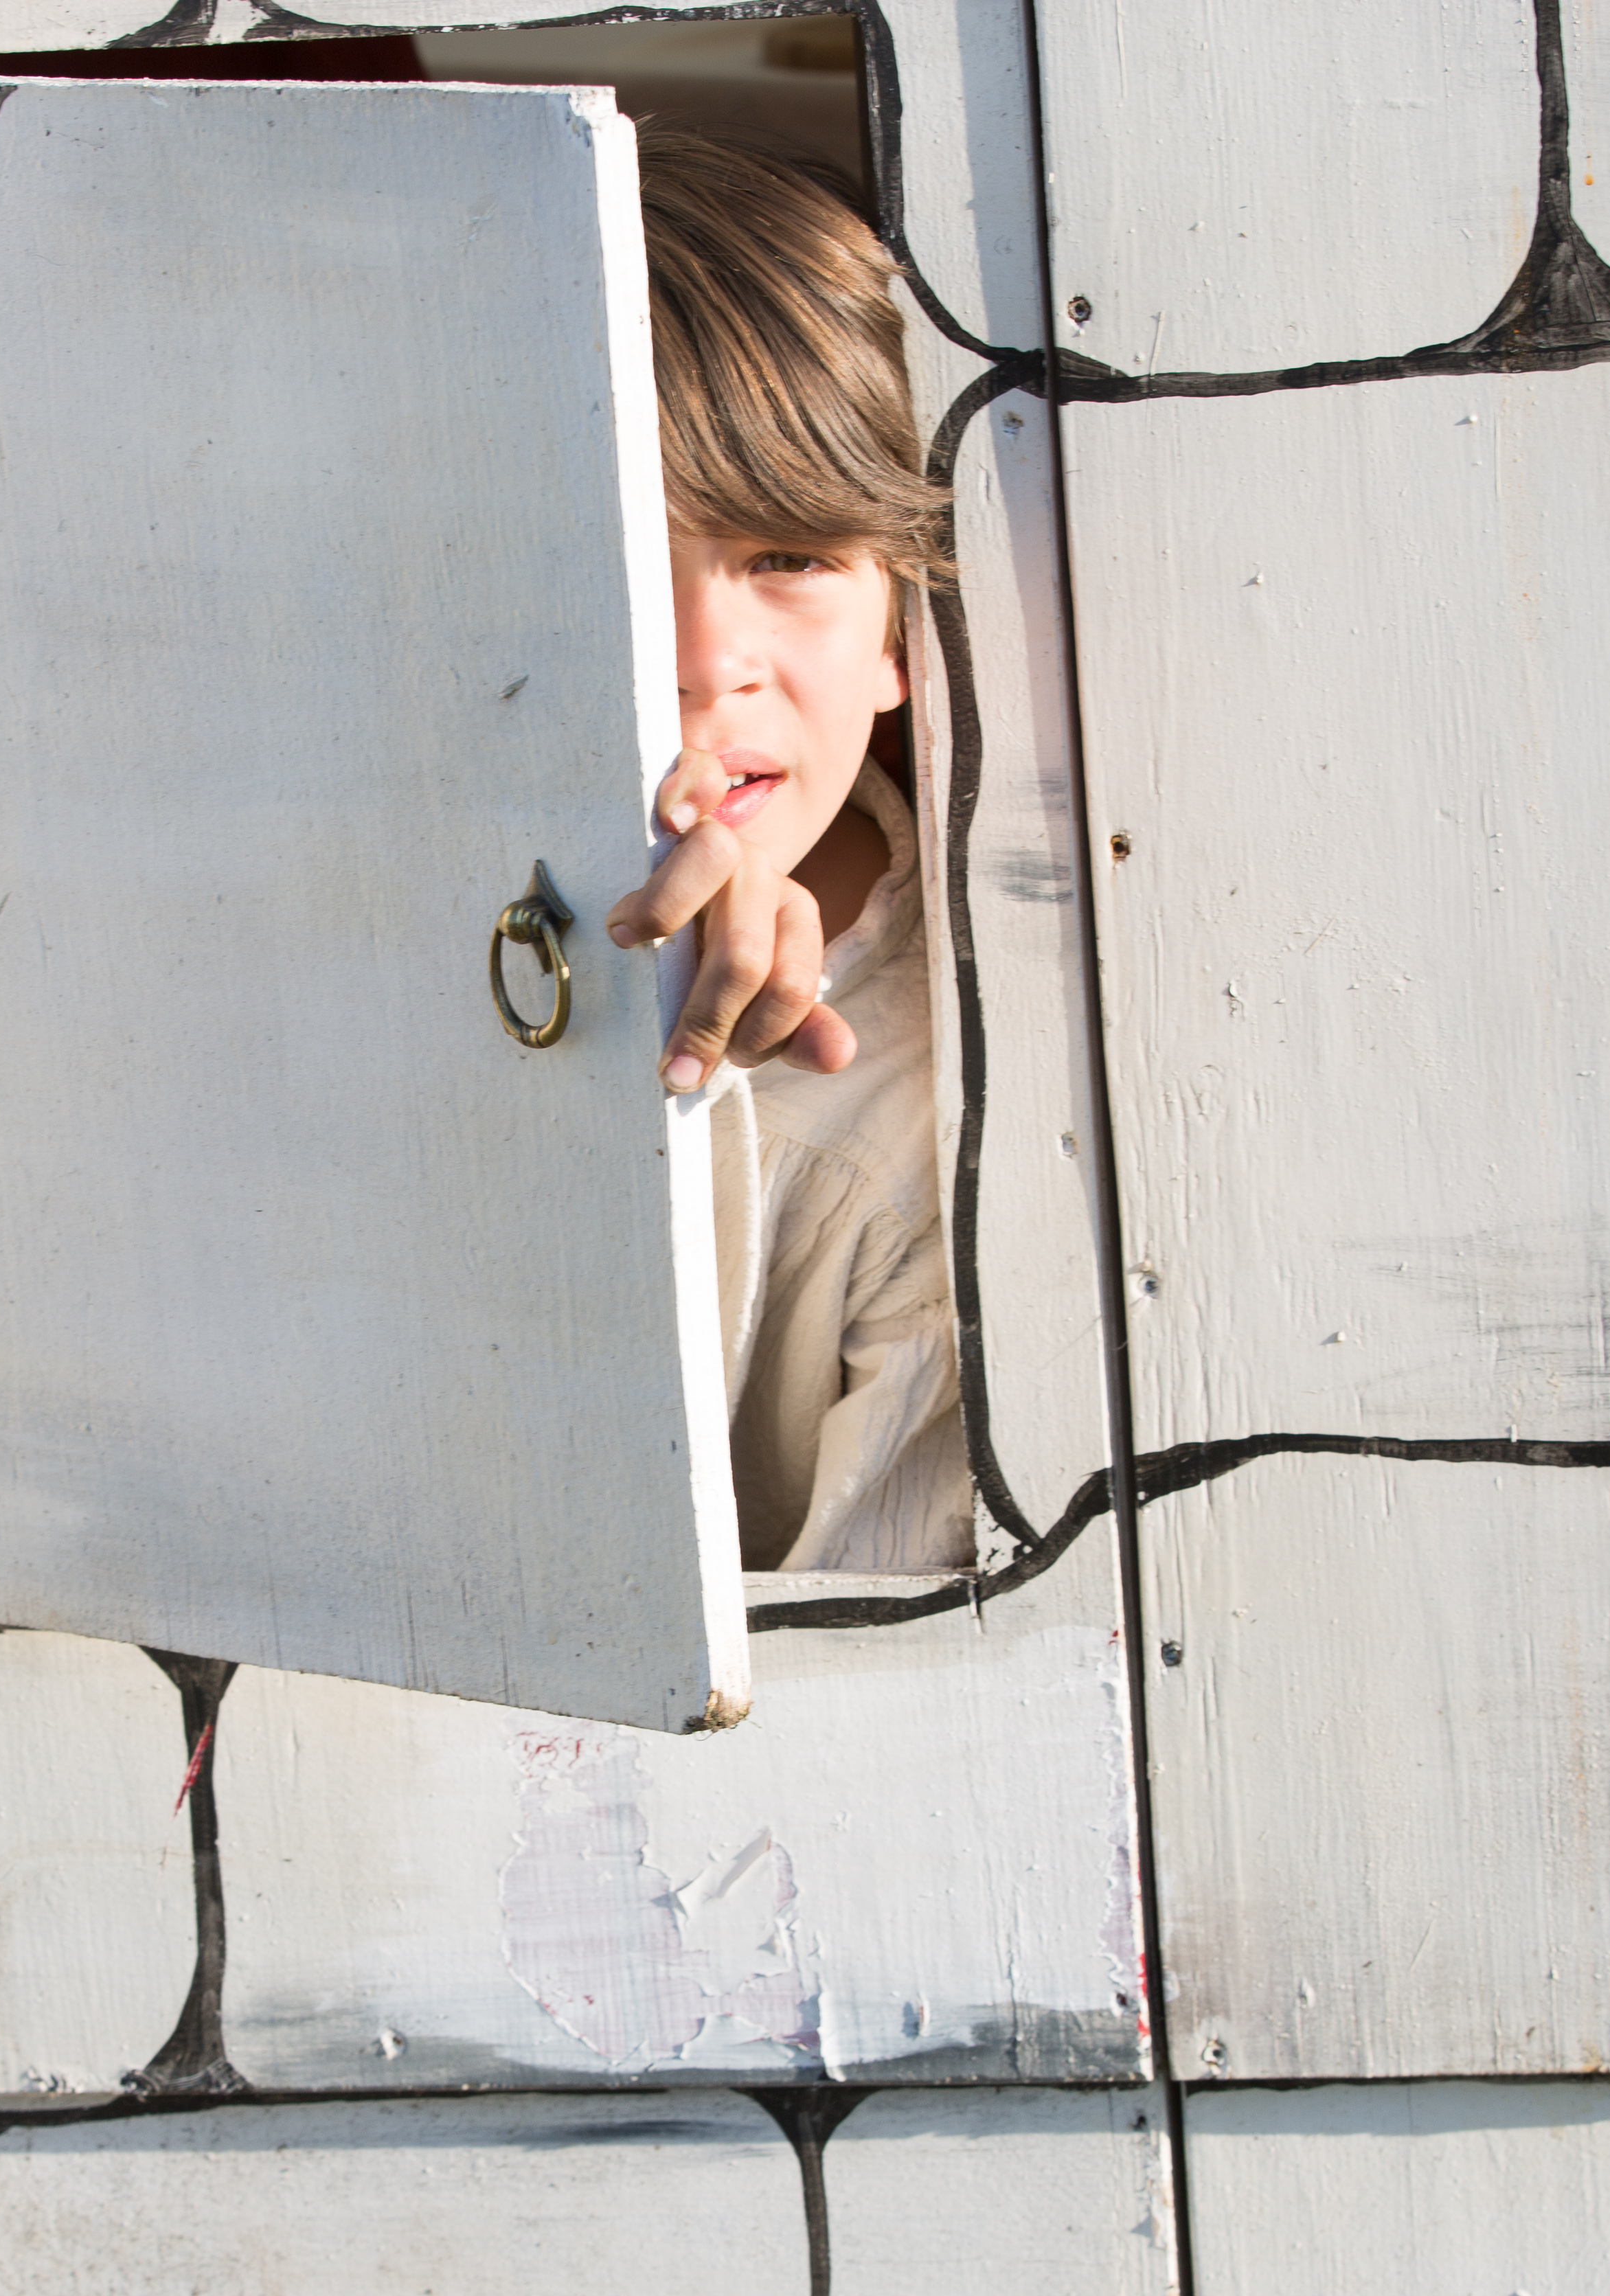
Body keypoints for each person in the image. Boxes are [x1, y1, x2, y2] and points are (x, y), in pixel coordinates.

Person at [603, 131, 973, 1575]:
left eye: (790, 556)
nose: (708, 661)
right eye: (618, 556)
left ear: (897, 629)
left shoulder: (945, 1126)